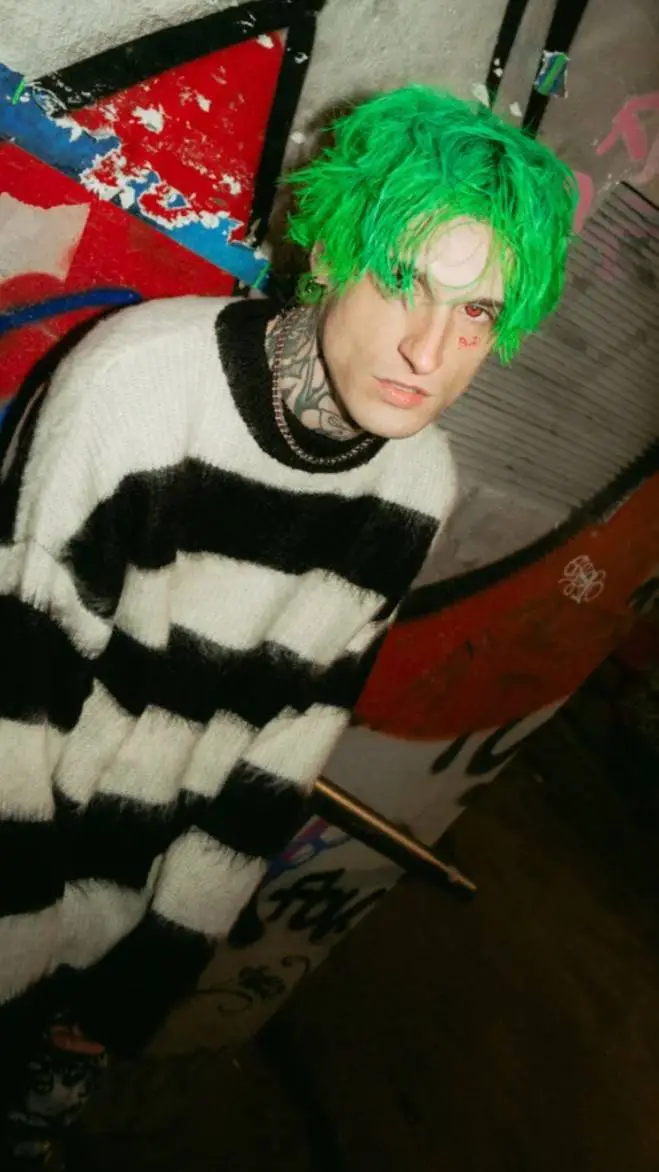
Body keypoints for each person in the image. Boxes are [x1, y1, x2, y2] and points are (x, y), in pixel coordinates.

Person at [0, 84, 576, 1165]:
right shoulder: (136, 388)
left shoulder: (413, 485)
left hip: (117, 923)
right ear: (328, 255)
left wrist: (153, 969)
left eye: (476, 313)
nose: (429, 349)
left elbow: (284, 748)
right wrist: (16, 957)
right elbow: (12, 694)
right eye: (401, 278)